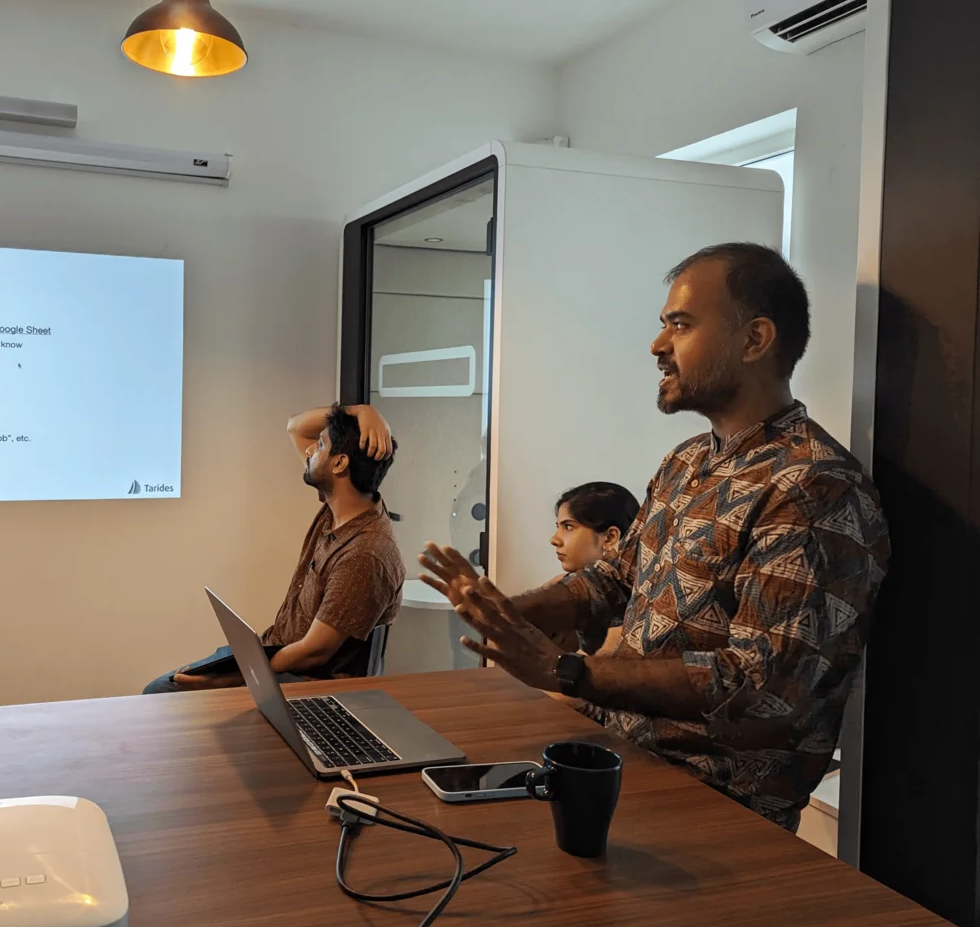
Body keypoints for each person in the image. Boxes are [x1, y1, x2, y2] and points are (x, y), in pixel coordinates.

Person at [419, 243, 888, 832]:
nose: (657, 345)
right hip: (622, 760)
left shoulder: (813, 485)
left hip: (716, 813)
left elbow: (761, 684)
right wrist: (507, 613)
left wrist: (566, 670)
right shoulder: (685, 462)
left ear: (755, 340)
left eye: (680, 325)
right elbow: (614, 579)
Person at [143, 403, 403, 693]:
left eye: (319, 445)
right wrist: (363, 411)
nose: (309, 450)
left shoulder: (365, 553)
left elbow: (314, 652)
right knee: (162, 691)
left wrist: (238, 678)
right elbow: (296, 427)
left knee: (160, 693)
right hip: (275, 656)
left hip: (305, 681)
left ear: (339, 464)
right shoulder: (342, 506)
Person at [550, 482, 640, 657]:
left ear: (610, 538)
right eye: (558, 527)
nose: (554, 539)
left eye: (568, 527)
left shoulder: (629, 602)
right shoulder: (567, 583)